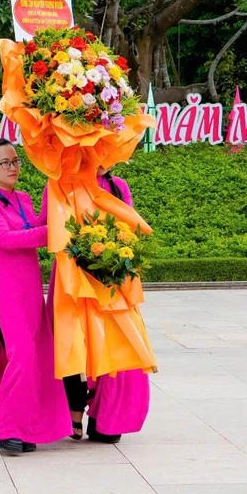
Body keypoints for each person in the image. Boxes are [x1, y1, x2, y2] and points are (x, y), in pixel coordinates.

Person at [0, 139, 71, 455]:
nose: (13, 167)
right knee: (22, 357)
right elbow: (6, 239)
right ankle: (7, 428)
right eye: (5, 163)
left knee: (35, 358)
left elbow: (38, 225)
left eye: (16, 161)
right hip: (4, 290)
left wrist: (54, 186)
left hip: (31, 289)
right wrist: (52, 232)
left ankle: (18, 422)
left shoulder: (23, 198)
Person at [50, 167, 150, 444]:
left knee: (115, 346)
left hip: (111, 279)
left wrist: (116, 259)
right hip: (73, 277)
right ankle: (73, 412)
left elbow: (130, 228)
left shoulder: (117, 186)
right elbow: (53, 227)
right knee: (73, 345)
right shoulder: (61, 182)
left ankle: (104, 416)